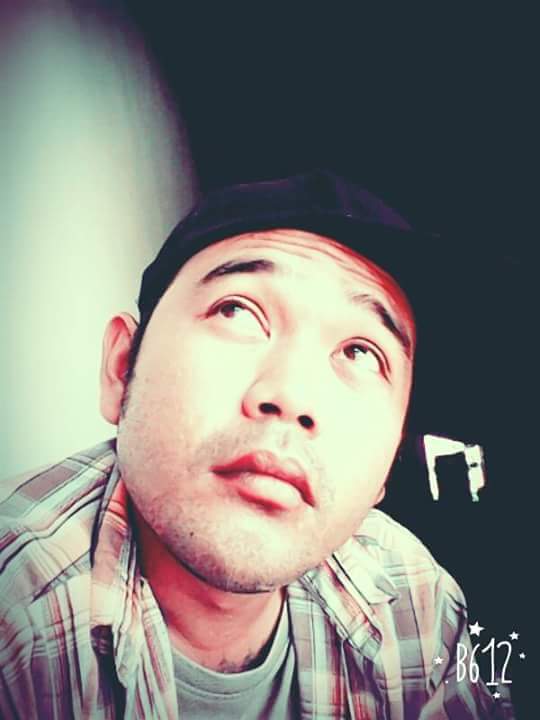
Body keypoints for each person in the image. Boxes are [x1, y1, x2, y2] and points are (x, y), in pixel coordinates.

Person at [0, 170, 514, 718]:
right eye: (238, 311)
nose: (292, 396)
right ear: (122, 368)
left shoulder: (417, 599)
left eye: (361, 352)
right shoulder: (16, 614)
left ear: (388, 462)